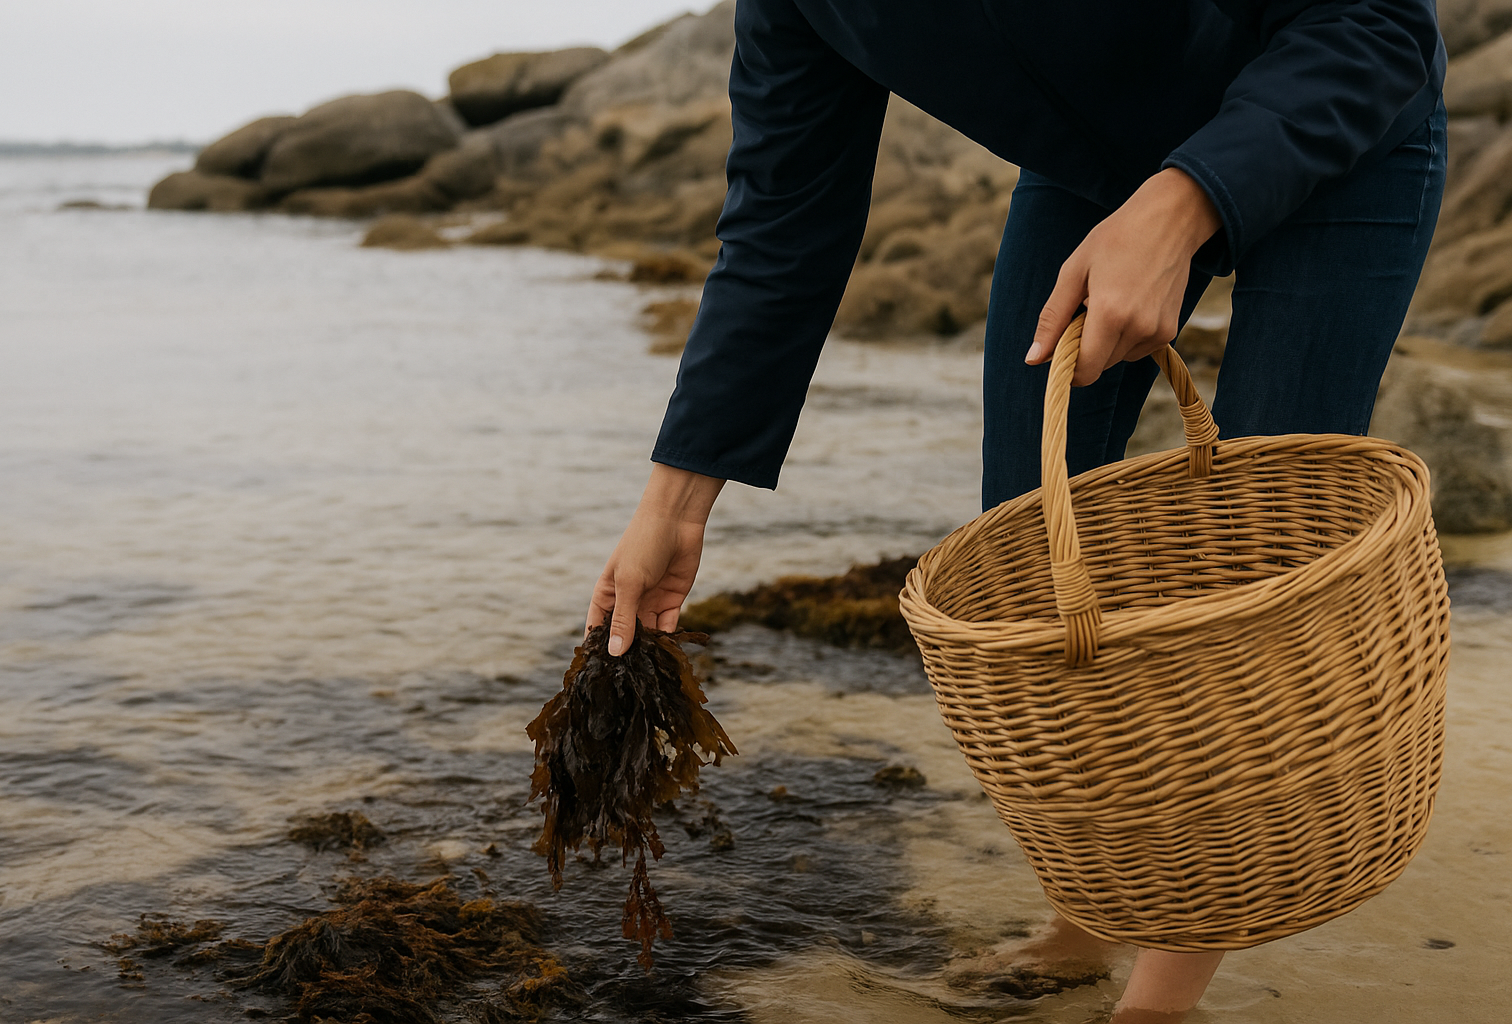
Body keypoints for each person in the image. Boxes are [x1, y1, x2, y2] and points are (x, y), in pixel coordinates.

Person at [586, 1, 1447, 1019]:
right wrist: (674, 501)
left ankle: (1162, 999)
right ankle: (1088, 915)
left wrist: (1180, 204)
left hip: (1338, 109)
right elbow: (782, 227)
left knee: (1245, 584)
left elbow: (1380, 19)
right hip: (1094, 168)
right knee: (1030, 573)